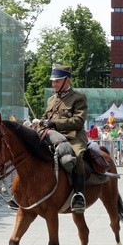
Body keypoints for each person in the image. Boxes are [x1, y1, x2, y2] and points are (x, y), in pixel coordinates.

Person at [40, 63, 88, 213]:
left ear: (68, 80)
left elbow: (78, 121)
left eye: (58, 80)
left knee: (78, 155)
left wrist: (54, 123)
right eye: (53, 81)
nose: (54, 84)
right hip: (51, 136)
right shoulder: (51, 99)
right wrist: (40, 122)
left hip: (73, 137)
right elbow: (46, 117)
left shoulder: (78, 98)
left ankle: (79, 194)